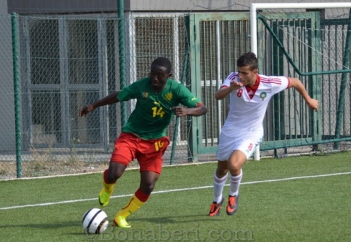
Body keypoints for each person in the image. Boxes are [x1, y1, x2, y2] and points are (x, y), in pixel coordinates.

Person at [79, 57, 208, 228]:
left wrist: (187, 110)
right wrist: (94, 105)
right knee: (114, 173)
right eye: (152, 73)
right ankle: (107, 189)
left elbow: (202, 108)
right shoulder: (141, 86)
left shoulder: (177, 90)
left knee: (148, 185)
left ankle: (121, 216)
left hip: (155, 143)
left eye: (159, 75)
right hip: (131, 136)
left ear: (169, 76)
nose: (154, 78)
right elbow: (119, 95)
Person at [209, 52, 319, 217]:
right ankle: (217, 200)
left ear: (255, 72)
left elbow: (295, 82)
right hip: (230, 131)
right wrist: (231, 88)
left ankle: (233, 195)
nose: (240, 75)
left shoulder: (269, 83)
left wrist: (309, 99)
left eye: (244, 73)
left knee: (233, 165)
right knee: (221, 169)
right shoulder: (233, 78)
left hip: (251, 133)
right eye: (239, 71)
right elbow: (218, 96)